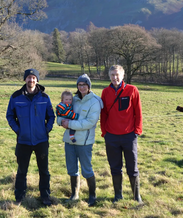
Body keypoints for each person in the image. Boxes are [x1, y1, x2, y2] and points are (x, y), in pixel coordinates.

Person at [6, 68, 55, 206]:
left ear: (37, 80)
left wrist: (46, 130)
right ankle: (20, 197)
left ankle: (45, 196)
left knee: (44, 170)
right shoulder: (16, 97)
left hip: (41, 141)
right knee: (21, 170)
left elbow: (51, 116)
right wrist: (18, 130)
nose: (31, 80)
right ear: (25, 79)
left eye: (34, 77)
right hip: (23, 141)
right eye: (29, 77)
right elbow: (10, 115)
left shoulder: (45, 98)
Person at [57, 74, 103, 206]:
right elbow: (61, 114)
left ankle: (92, 196)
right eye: (79, 85)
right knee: (72, 169)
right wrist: (61, 121)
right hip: (69, 141)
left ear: (89, 86)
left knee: (87, 169)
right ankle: (74, 194)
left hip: (85, 142)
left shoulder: (95, 101)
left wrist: (69, 124)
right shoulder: (74, 99)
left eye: (84, 84)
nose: (82, 87)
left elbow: (89, 122)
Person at [100, 65, 143, 203]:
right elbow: (104, 114)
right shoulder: (105, 92)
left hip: (129, 136)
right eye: (112, 75)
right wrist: (105, 132)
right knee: (115, 167)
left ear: (123, 75)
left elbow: (138, 112)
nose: (115, 77)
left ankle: (136, 196)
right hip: (111, 136)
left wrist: (136, 131)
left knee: (132, 167)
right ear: (109, 76)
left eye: (117, 74)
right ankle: (118, 195)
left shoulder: (132, 90)